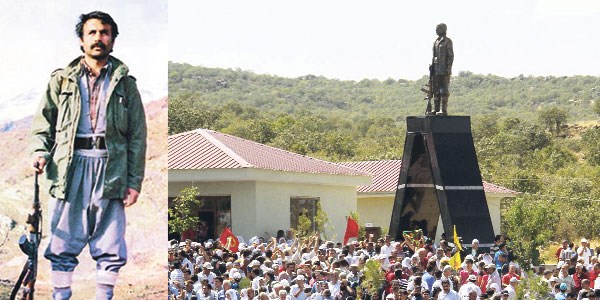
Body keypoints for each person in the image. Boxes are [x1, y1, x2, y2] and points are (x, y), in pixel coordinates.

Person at [30, 11, 146, 299]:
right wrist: (39, 151)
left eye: (105, 32)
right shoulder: (62, 81)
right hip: (70, 167)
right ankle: (61, 295)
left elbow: (137, 137)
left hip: (111, 168)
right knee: (62, 238)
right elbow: (44, 123)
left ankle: (103, 296)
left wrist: (134, 181)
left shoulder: (126, 85)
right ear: (81, 40)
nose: (98, 38)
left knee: (110, 239)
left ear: (113, 39)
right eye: (92, 33)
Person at [429, 23, 453, 116]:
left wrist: (449, 67)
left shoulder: (447, 41)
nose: (436, 30)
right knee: (436, 90)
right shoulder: (436, 41)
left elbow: (450, 56)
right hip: (435, 69)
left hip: (444, 69)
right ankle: (436, 109)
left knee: (444, 90)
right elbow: (434, 56)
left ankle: (443, 110)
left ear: (443, 29)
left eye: (437, 29)